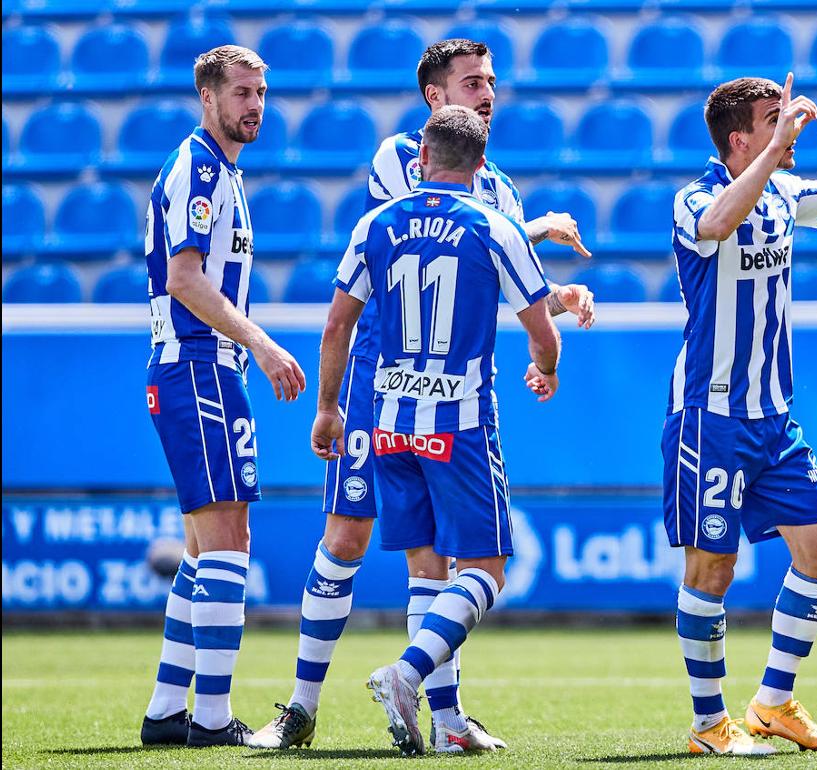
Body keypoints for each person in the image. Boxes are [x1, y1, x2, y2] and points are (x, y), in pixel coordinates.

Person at [249, 39, 593, 753]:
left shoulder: (499, 187)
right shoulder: (397, 156)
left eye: (492, 81)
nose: (489, 92)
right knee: (347, 537)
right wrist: (531, 242)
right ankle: (301, 710)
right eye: (473, 81)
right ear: (435, 97)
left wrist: (557, 296)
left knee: (429, 559)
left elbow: (487, 278)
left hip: (434, 388)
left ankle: (444, 720)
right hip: (380, 378)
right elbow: (432, 232)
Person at [664, 57, 817, 755]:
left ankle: (772, 703)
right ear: (739, 140)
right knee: (713, 569)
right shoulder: (692, 199)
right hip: (710, 416)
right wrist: (773, 154)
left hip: (774, 418)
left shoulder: (783, 191)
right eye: (773, 122)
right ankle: (709, 726)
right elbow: (717, 221)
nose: (789, 130)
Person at [311, 104, 559, 756]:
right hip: (459, 425)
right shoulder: (493, 226)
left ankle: (447, 724)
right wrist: (546, 370)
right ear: (480, 167)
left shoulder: (375, 224)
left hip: (388, 425)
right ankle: (407, 673)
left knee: (427, 567)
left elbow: (337, 325)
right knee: (486, 567)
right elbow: (543, 330)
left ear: (421, 161)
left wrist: (329, 408)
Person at [139, 44, 306, 748]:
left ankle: (166, 711)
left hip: (205, 366)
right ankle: (210, 719)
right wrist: (262, 343)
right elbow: (183, 278)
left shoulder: (223, 173)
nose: (254, 106)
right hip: (198, 363)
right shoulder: (200, 170)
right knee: (228, 539)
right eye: (241, 93)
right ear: (208, 97)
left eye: (260, 93)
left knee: (210, 548)